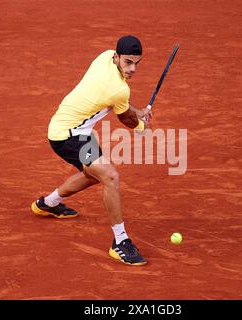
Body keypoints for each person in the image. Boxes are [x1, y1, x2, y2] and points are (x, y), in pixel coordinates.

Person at [31, 35, 152, 266]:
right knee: (110, 176)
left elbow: (122, 106)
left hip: (77, 131)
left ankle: (48, 203)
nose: (133, 68)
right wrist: (142, 126)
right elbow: (125, 116)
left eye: (137, 63)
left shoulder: (105, 56)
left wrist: (137, 111)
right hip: (67, 136)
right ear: (117, 57)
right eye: (128, 62)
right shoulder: (118, 89)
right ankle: (120, 242)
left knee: (93, 174)